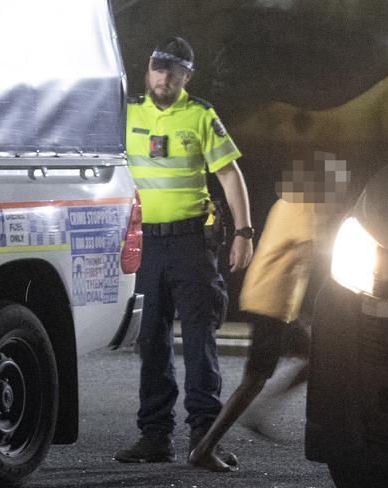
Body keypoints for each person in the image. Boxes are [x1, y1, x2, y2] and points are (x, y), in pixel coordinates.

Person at [114, 37, 253, 465]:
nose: (163, 78)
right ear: (148, 69)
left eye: (173, 72)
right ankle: (155, 437)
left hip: (192, 243)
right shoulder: (126, 111)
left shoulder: (199, 115)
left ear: (187, 77)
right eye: (158, 69)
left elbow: (229, 175)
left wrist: (245, 232)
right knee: (151, 343)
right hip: (145, 244)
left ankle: (204, 440)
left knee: (199, 342)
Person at [189, 157, 349, 472]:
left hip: (279, 303)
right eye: (333, 187)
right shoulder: (302, 208)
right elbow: (316, 250)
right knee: (255, 379)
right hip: (270, 302)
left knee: (315, 356)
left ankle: (260, 412)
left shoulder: (289, 204)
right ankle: (205, 448)